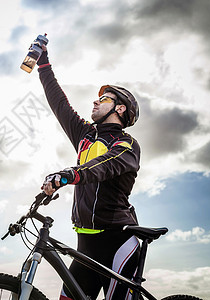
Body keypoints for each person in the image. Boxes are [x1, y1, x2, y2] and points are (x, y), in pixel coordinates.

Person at [37, 45, 141, 300]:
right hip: (85, 245)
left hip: (118, 243)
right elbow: (59, 104)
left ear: (120, 109)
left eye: (104, 99)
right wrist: (43, 65)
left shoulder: (126, 145)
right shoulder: (86, 135)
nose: (96, 101)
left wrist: (67, 175)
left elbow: (102, 166)